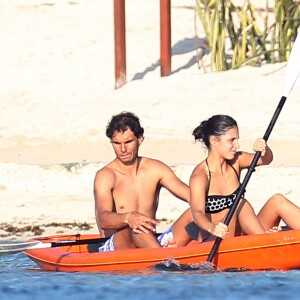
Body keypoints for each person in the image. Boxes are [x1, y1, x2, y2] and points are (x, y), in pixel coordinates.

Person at [189, 114, 300, 242]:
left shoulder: (236, 161)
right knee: (239, 203)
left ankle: (265, 239)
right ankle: (267, 240)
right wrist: (212, 227)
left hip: (245, 235)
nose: (237, 145)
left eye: (237, 139)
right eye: (232, 140)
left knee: (277, 201)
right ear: (214, 141)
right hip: (216, 240)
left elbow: (266, 159)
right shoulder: (200, 176)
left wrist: (264, 149)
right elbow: (197, 213)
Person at [94, 111, 193, 251]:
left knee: (196, 211)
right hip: (117, 246)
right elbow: (103, 219)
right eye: (117, 143)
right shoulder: (106, 175)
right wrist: (128, 217)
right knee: (133, 227)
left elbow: (192, 197)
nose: (123, 149)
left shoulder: (155, 169)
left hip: (150, 241)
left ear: (139, 139)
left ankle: (210, 248)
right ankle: (165, 261)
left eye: (128, 142)